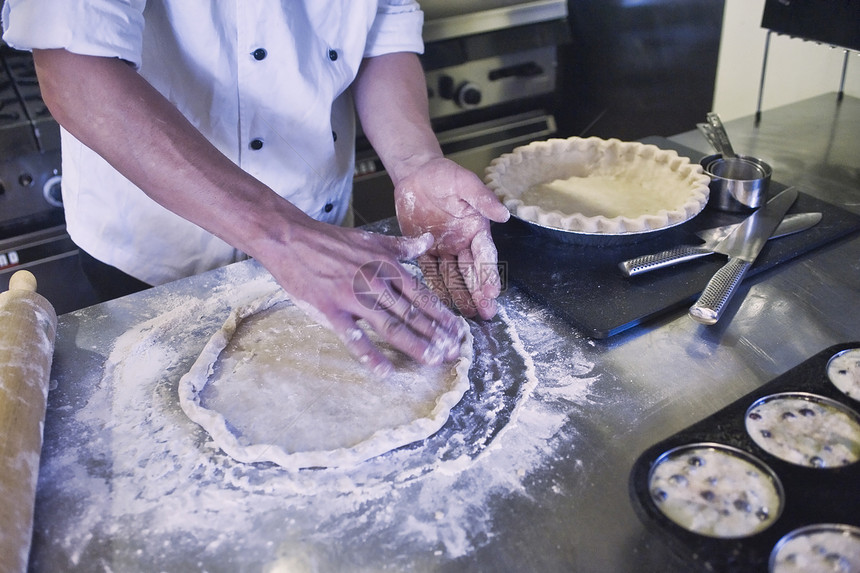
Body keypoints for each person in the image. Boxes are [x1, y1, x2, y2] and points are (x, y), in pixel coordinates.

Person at [1, 1, 510, 377]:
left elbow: (384, 30)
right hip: (156, 248)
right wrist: (283, 235)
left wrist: (416, 163)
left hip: (326, 231)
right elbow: (75, 70)